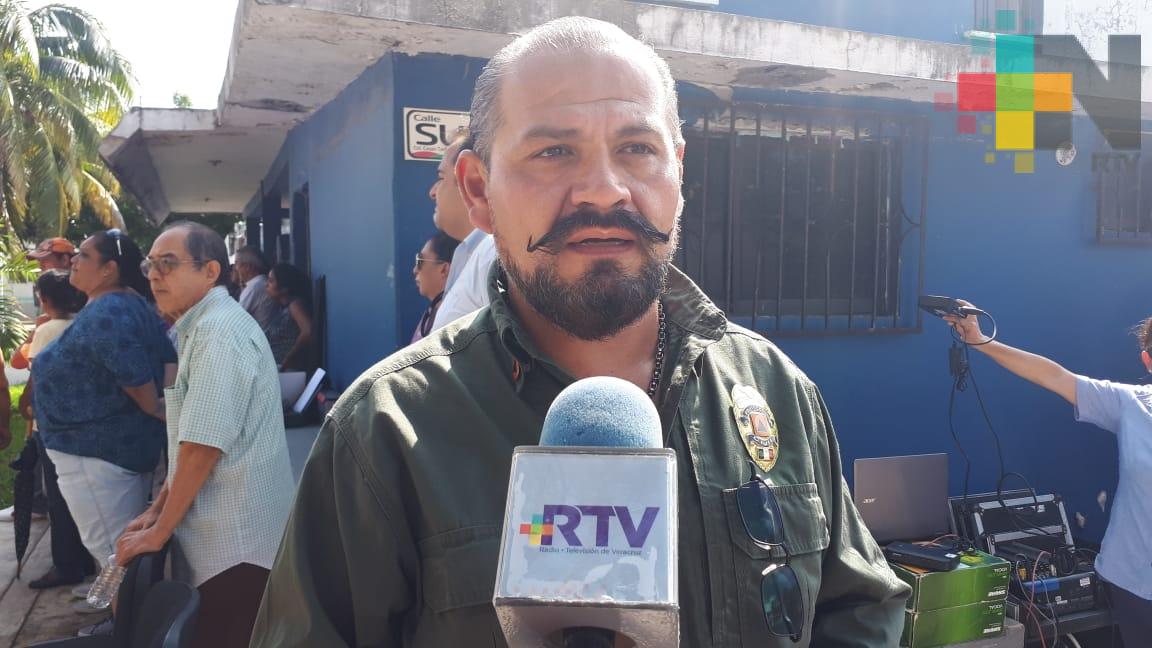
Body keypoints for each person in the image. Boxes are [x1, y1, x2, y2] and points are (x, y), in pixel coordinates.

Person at [252, 17, 907, 647]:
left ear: (678, 174)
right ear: (478, 190)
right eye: (555, 151)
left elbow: (859, 607)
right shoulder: (383, 433)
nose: (604, 190)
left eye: (636, 149)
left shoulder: (773, 389)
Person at [117, 222, 293, 648]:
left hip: (235, 548)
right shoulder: (202, 327)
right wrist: (158, 509)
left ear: (211, 271)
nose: (155, 275)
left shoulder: (218, 333)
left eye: (169, 264)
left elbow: (201, 447)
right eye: (151, 265)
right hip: (226, 539)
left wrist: (158, 533)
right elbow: (189, 441)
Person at [946, 301, 1152, 644]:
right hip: (1131, 579)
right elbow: (1054, 375)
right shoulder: (1131, 403)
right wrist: (980, 340)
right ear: (1147, 359)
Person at [30, 230, 175, 587]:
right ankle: (124, 621)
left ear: (109, 269)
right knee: (119, 549)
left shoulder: (109, 310)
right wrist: (163, 405)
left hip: (96, 455)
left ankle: (129, 630)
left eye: (84, 255)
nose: (74, 261)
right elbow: (168, 356)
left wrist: (155, 406)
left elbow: (130, 367)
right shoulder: (127, 302)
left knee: (115, 555)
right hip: (108, 451)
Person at [20, 270, 98, 591]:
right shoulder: (84, 322)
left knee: (57, 498)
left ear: (44, 298)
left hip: (50, 424)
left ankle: (65, 565)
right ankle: (81, 559)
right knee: (76, 494)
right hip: (81, 421)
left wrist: (24, 404)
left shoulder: (47, 330)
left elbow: (37, 375)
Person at [428, 131, 498, 332]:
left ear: (472, 182)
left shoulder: (495, 254)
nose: (432, 192)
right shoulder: (471, 252)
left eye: (441, 178)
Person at [410, 231, 459, 344]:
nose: (415, 270)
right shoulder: (432, 312)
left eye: (420, 261)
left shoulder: (455, 317)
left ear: (444, 269)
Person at [264, 263, 313, 372]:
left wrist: (288, 360)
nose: (266, 285)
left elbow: (308, 331)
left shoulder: (295, 305)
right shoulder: (281, 308)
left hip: (289, 371)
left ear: (284, 288)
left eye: (271, 281)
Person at [234, 246, 277, 330]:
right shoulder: (261, 282)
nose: (235, 268)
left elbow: (234, 319)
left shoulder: (254, 287)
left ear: (248, 267)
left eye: (237, 263)